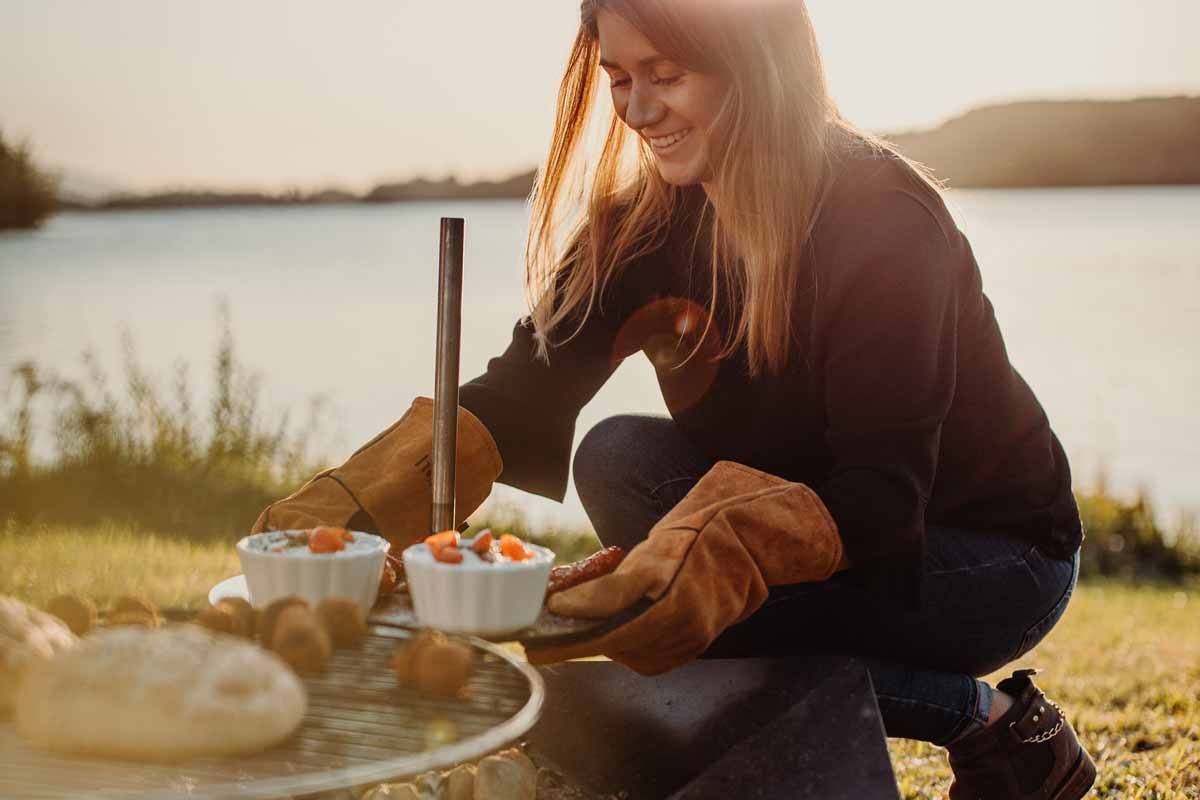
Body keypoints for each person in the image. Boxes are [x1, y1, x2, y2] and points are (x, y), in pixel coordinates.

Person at [252, 1, 1097, 796]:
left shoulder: (884, 221)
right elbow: (516, 395)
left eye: (667, 73)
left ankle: (992, 721)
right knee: (617, 458)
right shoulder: (644, 230)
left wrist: (704, 556)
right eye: (619, 77)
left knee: (698, 611)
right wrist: (340, 534)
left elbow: (882, 503)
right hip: (815, 527)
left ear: (754, 63)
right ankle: (734, 633)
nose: (638, 108)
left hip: (985, 554)